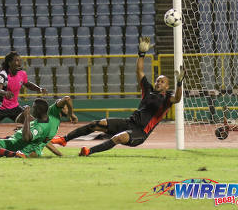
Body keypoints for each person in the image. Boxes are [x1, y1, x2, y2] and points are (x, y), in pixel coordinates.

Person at [51, 37, 184, 156]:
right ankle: (64, 139)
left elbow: (177, 98)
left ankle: (88, 151)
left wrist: (179, 83)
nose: (158, 82)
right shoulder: (148, 89)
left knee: (118, 138)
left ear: (167, 86)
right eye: (158, 80)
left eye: (162, 81)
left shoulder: (167, 98)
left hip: (140, 132)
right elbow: (139, 71)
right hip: (129, 122)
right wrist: (142, 54)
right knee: (95, 124)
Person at [0, 51, 47, 143]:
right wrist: (4, 93)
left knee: (34, 123)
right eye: (16, 61)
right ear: (10, 63)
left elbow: (27, 84)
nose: (19, 63)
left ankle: (37, 145)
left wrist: (39, 89)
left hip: (14, 108)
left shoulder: (22, 74)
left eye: (20, 60)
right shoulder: (3, 74)